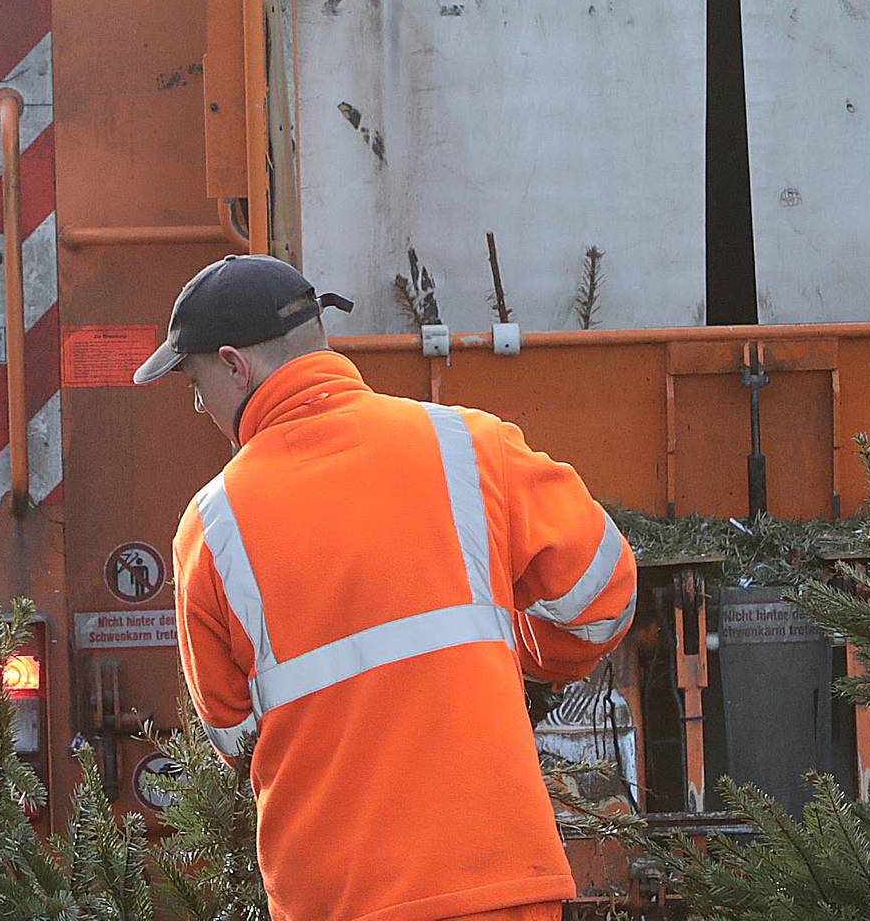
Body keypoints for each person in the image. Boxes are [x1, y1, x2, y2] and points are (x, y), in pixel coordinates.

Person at [136, 255, 638, 921]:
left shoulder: (210, 528)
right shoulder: (468, 445)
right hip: (499, 878)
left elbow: (233, 733)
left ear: (235, 365)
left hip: (338, 897)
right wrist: (510, 664)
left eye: (195, 382)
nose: (199, 405)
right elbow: (601, 599)